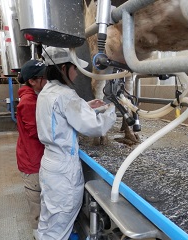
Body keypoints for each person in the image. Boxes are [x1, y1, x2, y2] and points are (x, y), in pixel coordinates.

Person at [36, 47, 116, 240]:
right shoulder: (66, 95)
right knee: (60, 224)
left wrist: (86, 106)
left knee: (49, 218)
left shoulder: (46, 92)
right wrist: (111, 111)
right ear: (63, 68)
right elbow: (95, 127)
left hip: (49, 164)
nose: (77, 72)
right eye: (75, 68)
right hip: (64, 169)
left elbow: (59, 115)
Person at [16, 59, 47, 240]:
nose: (48, 80)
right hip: (32, 160)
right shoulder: (29, 101)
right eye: (44, 77)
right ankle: (38, 232)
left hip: (33, 154)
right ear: (32, 81)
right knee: (36, 199)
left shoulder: (33, 96)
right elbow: (37, 132)